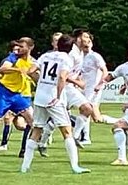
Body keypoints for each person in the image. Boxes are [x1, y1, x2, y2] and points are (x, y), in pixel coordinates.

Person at [20, 34, 90, 174]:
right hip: (53, 98)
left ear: (58, 45)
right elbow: (62, 77)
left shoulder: (46, 56)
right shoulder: (67, 59)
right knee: (67, 131)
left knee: (36, 130)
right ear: (71, 47)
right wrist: (58, 96)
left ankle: (25, 166)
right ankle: (75, 166)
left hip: (40, 97)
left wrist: (40, 82)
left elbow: (30, 71)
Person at [73, 34, 107, 145]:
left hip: (93, 89)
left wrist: (99, 84)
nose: (86, 45)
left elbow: (105, 71)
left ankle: (82, 136)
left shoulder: (95, 56)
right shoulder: (79, 56)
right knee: (93, 115)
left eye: (88, 43)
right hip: (83, 88)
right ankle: (84, 137)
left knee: (89, 111)